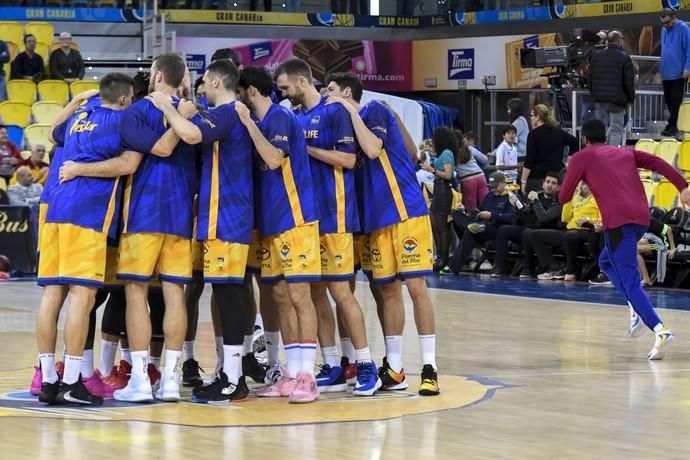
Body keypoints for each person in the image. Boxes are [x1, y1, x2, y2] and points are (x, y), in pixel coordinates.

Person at [59, 54, 194, 402]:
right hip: (181, 215)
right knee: (174, 294)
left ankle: (140, 381)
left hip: (143, 213)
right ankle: (172, 381)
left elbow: (147, 155)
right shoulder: (192, 112)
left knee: (135, 292)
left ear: (158, 74)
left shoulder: (135, 112)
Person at [325, 72, 439, 396]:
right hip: (374, 220)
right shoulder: (343, 129)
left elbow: (374, 149)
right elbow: (411, 150)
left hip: (404, 210)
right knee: (386, 291)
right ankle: (395, 368)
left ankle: (430, 368)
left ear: (347, 92)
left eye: (331, 90)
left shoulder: (371, 110)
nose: (325, 95)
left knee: (416, 287)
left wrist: (348, 109)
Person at [274, 58, 369, 402]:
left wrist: (307, 149)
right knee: (314, 295)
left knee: (341, 291)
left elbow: (348, 160)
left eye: (286, 87)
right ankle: (331, 365)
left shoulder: (334, 112)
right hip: (308, 218)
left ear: (301, 82)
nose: (283, 93)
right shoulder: (295, 119)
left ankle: (365, 362)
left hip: (337, 214)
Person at [37, 72, 134, 406]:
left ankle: (48, 378)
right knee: (83, 297)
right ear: (124, 99)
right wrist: (81, 169)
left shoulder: (81, 115)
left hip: (56, 210)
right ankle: (69, 382)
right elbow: (127, 163)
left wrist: (77, 100)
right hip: (88, 213)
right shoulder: (123, 121)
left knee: (52, 295)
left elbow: (52, 133)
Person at [560, 118, 690, 360]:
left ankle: (659, 329)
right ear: (606, 138)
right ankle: (635, 308)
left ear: (584, 139)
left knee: (631, 281)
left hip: (618, 223)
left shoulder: (581, 157)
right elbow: (658, 162)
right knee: (606, 262)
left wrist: (574, 176)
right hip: (641, 218)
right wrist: (682, 186)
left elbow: (564, 196)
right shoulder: (624, 152)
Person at [235, 66, 324, 399]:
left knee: (300, 296)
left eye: (240, 92)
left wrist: (246, 122)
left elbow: (273, 159)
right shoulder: (261, 123)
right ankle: (289, 372)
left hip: (295, 218)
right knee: (280, 298)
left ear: (250, 92)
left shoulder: (280, 118)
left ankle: (307, 374)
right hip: (271, 223)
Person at [491, 173, 562, 279]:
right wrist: (516, 206)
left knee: (528, 232)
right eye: (547, 182)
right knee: (504, 229)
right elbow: (525, 216)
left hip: (544, 232)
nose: (549, 185)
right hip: (529, 228)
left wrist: (536, 201)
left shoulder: (558, 201)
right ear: (543, 184)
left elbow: (544, 218)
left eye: (553, 183)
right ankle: (500, 266)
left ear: (558, 187)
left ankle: (528, 267)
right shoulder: (537, 196)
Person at [443, 171, 516, 275]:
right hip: (480, 223)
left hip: (496, 228)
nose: (492, 189)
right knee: (455, 214)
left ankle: (452, 267)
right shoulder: (490, 195)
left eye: (495, 187)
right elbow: (478, 210)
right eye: (491, 187)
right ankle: (473, 226)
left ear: (503, 183)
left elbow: (513, 218)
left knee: (470, 232)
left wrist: (492, 215)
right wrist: (466, 210)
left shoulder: (511, 197)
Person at [588, 31, 635, 147]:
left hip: (599, 100)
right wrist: (630, 99)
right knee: (616, 129)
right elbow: (628, 82)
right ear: (619, 41)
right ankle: (610, 155)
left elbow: (590, 78)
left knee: (604, 129)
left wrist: (593, 94)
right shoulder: (624, 58)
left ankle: (601, 152)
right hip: (616, 101)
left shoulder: (597, 56)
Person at [420, 127, 456, 271]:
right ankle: (439, 256)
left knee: (442, 226)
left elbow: (448, 174)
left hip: (443, 190)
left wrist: (432, 170)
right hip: (438, 189)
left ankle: (444, 258)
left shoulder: (447, 153)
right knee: (435, 224)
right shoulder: (442, 154)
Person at [521, 104, 578, 194]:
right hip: (557, 176)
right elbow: (574, 141)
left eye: (532, 115)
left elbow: (529, 159)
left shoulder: (533, 135)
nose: (530, 118)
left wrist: (523, 180)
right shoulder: (558, 132)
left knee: (535, 204)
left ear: (538, 117)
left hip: (538, 179)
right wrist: (568, 161)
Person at [560, 183, 602, 282]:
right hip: (570, 229)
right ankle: (553, 268)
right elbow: (564, 218)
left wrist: (587, 220)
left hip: (588, 229)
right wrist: (569, 199)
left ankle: (571, 271)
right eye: (580, 184)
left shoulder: (598, 199)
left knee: (570, 236)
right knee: (533, 234)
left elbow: (601, 219)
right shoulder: (577, 199)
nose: (580, 187)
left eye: (583, 184)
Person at [659, 8, 690, 137]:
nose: (666, 25)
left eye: (667, 22)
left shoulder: (684, 29)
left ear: (674, 17)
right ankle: (672, 125)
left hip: (679, 72)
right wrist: (661, 70)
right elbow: (664, 50)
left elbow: (689, 50)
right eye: (663, 23)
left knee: (675, 100)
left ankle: (671, 125)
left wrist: (687, 68)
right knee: (668, 100)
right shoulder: (664, 30)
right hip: (666, 72)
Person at [455, 129, 488, 210]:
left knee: (470, 208)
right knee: (486, 203)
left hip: (467, 180)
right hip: (481, 176)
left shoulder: (452, 153)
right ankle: (489, 220)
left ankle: (473, 222)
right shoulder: (470, 149)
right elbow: (485, 159)